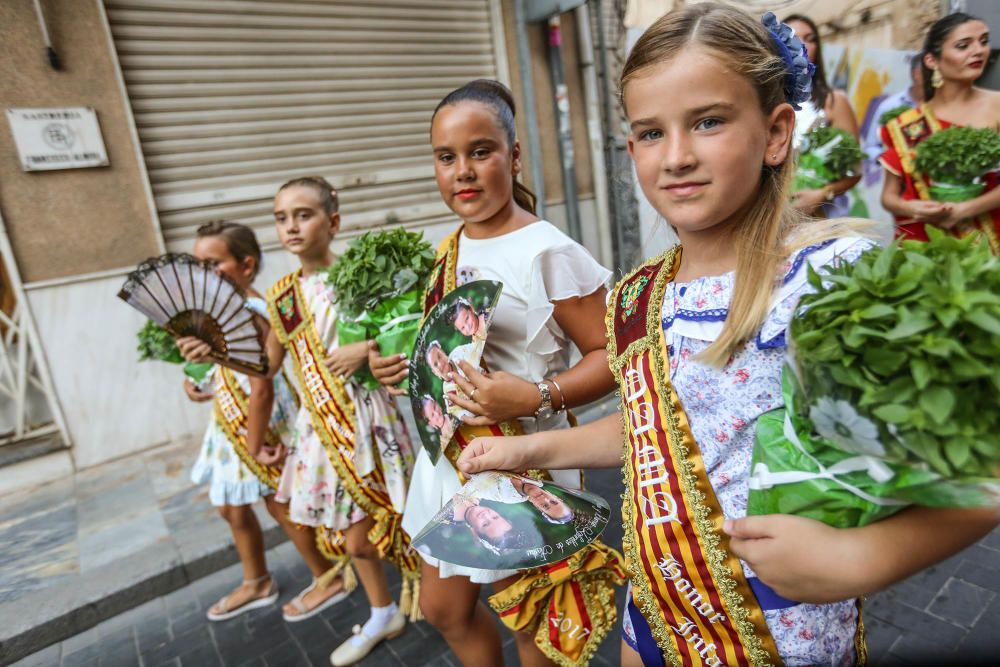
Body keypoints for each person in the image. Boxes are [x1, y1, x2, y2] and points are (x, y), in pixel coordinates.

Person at [455, 5, 1000, 666]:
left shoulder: (830, 280)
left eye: (708, 121)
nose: (678, 155)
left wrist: (860, 556)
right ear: (631, 151)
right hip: (655, 611)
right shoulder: (636, 295)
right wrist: (528, 448)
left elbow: (979, 478)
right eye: (652, 132)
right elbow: (658, 428)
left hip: (783, 631)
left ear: (775, 133)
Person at [369, 80, 625, 667]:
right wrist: (408, 364)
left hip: (529, 460)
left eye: (480, 151)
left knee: (532, 621)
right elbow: (455, 343)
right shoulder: (449, 246)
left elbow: (613, 357)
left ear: (512, 156)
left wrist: (537, 395)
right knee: (445, 609)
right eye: (446, 156)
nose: (463, 170)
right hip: (451, 458)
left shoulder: (546, 252)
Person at [180, 177, 418, 666]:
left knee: (392, 523)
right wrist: (217, 354)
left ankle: (437, 598)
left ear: (333, 222)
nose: (291, 226)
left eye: (303, 214)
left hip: (368, 421)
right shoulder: (283, 295)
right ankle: (383, 610)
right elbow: (266, 367)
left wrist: (368, 350)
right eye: (281, 217)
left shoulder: (364, 275)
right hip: (321, 432)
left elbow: (404, 336)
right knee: (351, 532)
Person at [184, 220, 343, 622]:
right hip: (230, 417)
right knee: (230, 507)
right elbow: (227, 367)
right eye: (196, 263)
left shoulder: (253, 312)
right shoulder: (218, 309)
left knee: (280, 503)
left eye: (213, 262)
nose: (203, 271)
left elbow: (261, 386)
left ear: (247, 265)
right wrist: (199, 378)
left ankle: (329, 576)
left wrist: (255, 443)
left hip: (261, 418)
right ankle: (256, 580)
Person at [879, 12, 1000, 250]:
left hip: (990, 241)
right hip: (928, 242)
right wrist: (912, 207)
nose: (978, 51)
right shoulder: (908, 125)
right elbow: (889, 196)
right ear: (932, 61)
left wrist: (965, 209)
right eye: (963, 45)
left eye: (984, 42)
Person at [785, 13, 863, 216]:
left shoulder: (833, 101)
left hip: (817, 218)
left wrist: (822, 193)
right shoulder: (759, 102)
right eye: (792, 38)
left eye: (810, 39)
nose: (802, 44)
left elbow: (853, 170)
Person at [862, 53, 924, 159]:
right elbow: (871, 147)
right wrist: (890, 160)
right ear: (916, 74)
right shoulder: (890, 106)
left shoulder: (943, 107)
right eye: (932, 71)